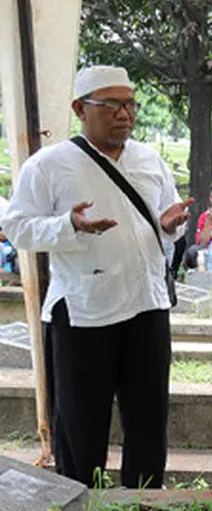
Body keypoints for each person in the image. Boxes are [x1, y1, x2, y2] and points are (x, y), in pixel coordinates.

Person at [2, 65, 192, 488]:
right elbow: (17, 227)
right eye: (111, 105)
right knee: (80, 422)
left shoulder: (149, 158)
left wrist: (170, 225)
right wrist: (69, 225)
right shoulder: (49, 165)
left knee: (148, 416)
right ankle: (78, 507)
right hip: (84, 311)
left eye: (129, 104)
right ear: (79, 109)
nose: (124, 114)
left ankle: (144, 501)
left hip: (147, 304)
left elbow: (166, 219)